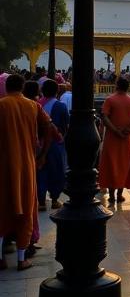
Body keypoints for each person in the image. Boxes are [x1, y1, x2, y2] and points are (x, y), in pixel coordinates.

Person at [0, 74, 50, 271]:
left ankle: (1, 258)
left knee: (2, 208)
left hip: (3, 165)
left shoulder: (2, 105)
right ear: (22, 87)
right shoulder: (33, 106)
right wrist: (43, 154)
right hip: (27, 164)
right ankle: (22, 259)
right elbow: (48, 127)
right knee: (26, 210)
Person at [98, 78, 130, 203]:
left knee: (111, 165)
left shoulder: (110, 100)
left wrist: (115, 130)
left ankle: (111, 195)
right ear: (128, 88)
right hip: (126, 139)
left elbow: (104, 117)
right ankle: (120, 195)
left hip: (112, 138)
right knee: (124, 165)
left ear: (116, 86)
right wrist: (128, 129)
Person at [38, 79, 69, 210]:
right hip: (56, 143)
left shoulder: (36, 104)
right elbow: (65, 126)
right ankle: (55, 200)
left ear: (42, 91)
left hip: (39, 143)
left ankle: (41, 202)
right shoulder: (60, 106)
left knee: (41, 171)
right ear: (57, 91)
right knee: (57, 171)